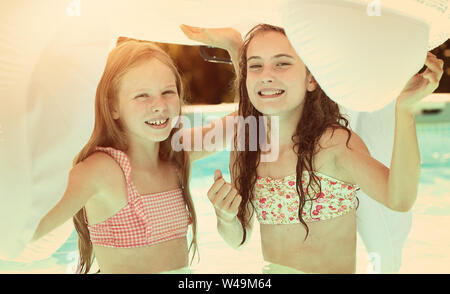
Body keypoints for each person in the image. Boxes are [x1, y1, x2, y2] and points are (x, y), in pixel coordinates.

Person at [185, 24, 444, 274]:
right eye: (255, 66)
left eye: (282, 63)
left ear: (311, 79)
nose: (266, 75)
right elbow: (239, 238)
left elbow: (399, 199)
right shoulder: (249, 149)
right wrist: (226, 218)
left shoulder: (333, 145)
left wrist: (405, 111)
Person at [29, 38, 233, 274]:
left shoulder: (176, 154)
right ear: (113, 106)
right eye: (142, 96)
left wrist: (237, 50)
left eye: (168, 91)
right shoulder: (103, 171)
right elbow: (30, 229)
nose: (159, 105)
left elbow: (245, 123)